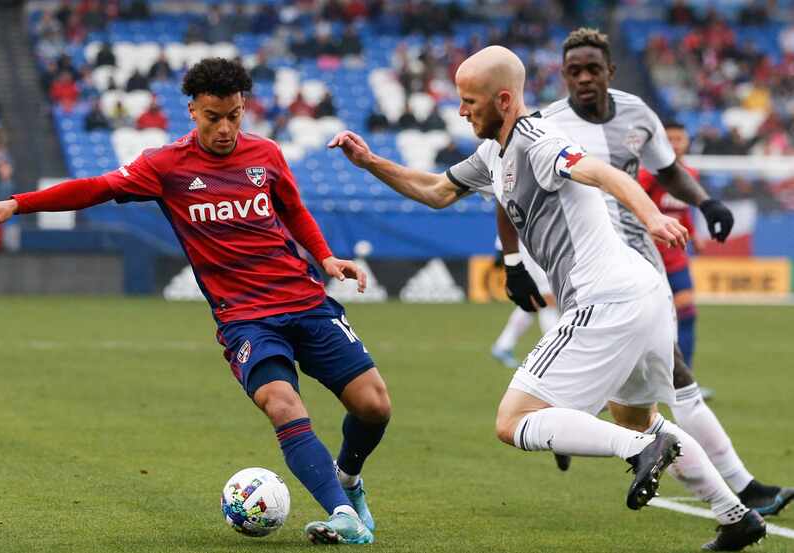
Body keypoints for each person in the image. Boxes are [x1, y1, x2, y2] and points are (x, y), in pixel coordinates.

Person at [328, 46, 766, 551]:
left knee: (513, 420)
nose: (462, 110)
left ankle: (643, 450)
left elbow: (607, 174)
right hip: (640, 296)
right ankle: (734, 515)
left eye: (470, 100)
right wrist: (370, 162)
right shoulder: (495, 152)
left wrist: (650, 216)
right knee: (638, 415)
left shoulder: (538, 142)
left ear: (505, 99)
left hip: (607, 300)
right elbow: (435, 190)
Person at [0, 58, 386, 546]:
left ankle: (349, 481)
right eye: (214, 117)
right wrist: (19, 203)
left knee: (374, 406)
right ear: (192, 111)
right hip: (246, 319)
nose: (226, 127)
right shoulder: (165, 166)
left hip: (304, 299)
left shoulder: (267, 154)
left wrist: (326, 257)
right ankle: (341, 514)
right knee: (282, 403)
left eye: (234, 115)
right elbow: (96, 188)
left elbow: (293, 209)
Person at [542, 27, 792, 519]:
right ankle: (564, 422)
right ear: (564, 76)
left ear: (610, 71)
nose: (585, 78)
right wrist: (515, 264)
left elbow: (669, 167)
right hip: (588, 272)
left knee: (671, 382)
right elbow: (512, 191)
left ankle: (741, 491)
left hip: (641, 265)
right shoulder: (548, 126)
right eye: (575, 71)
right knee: (641, 402)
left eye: (594, 69)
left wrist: (706, 201)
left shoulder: (638, 113)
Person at [638, 121, 699, 368]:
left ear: (687, 143)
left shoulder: (691, 175)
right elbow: (630, 205)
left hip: (676, 258)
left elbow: (683, 213)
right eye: (669, 139)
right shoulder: (649, 174)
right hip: (647, 257)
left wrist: (695, 236)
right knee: (646, 321)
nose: (674, 144)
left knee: (686, 314)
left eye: (679, 139)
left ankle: (685, 379)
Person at [490, 237, 559, 370]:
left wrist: (499, 249)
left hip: (536, 246)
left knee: (533, 302)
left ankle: (503, 345)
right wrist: (500, 248)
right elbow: (509, 218)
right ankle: (555, 350)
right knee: (547, 298)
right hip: (531, 248)